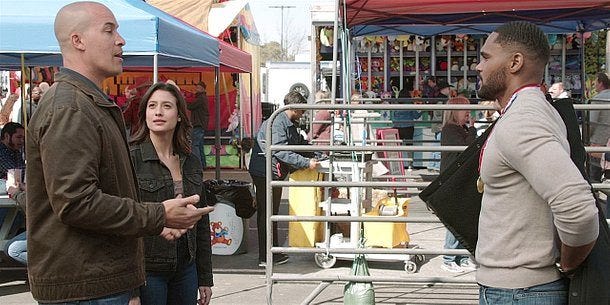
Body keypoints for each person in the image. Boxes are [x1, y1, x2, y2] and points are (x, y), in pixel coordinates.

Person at [26, 2, 213, 303]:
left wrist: (154, 223)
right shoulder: (71, 107)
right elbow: (76, 202)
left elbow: (102, 197)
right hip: (86, 286)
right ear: (78, 41)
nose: (121, 40)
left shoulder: (87, 103)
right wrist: (157, 214)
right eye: (109, 30)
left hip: (100, 280)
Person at [475, 21, 598, 304]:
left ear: (515, 62)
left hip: (519, 293)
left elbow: (578, 209)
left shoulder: (523, 120)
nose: (478, 67)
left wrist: (567, 264)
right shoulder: (528, 110)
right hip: (520, 290)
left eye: (486, 57)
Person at [130, 83, 213, 305]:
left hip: (186, 267)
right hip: (147, 270)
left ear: (178, 116)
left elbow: (202, 224)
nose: (158, 112)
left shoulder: (191, 161)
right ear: (144, 113)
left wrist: (205, 277)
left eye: (166, 106)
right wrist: (130, 290)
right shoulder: (131, 159)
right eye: (152, 106)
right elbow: (123, 220)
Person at [248, 91, 319, 267]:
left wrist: (316, 151)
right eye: (302, 110)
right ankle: (267, 256)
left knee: (270, 212)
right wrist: (304, 162)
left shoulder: (286, 121)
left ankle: (272, 251)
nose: (303, 113)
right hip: (266, 171)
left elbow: (296, 144)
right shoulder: (278, 123)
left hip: (270, 170)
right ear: (294, 108)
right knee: (268, 213)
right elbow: (280, 150)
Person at [439, 97, 477, 273]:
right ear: (455, 112)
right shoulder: (450, 130)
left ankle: (460, 256)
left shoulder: (457, 129)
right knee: (456, 217)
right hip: (452, 179)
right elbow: (467, 148)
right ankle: (448, 258)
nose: (468, 113)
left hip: (458, 178)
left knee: (462, 217)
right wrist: (472, 129)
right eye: (465, 110)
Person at [588, 72, 610, 182]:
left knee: (593, 178)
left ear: (601, 83)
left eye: (595, 82)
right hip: (608, 144)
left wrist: (586, 137)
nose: (594, 85)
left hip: (597, 143)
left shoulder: (597, 99)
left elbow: (591, 122)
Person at [187, 81, 210, 169]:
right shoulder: (202, 98)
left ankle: (197, 165)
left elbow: (191, 106)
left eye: (198, 87)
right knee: (199, 146)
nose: (196, 89)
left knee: (194, 145)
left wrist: (181, 101)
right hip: (201, 124)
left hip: (198, 124)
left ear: (202, 89)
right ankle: (202, 165)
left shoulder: (201, 98)